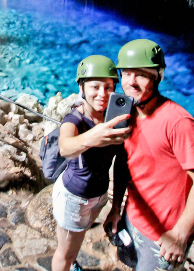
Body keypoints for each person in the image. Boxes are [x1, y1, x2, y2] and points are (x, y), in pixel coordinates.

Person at [112, 39, 194, 271]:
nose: (130, 82)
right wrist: (116, 209)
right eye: (126, 73)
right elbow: (124, 163)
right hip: (133, 217)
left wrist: (181, 234)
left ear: (157, 76)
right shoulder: (128, 112)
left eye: (141, 74)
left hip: (164, 236)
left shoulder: (179, 123)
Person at [51, 55, 132, 271]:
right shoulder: (75, 119)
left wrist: (116, 207)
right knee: (63, 253)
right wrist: (92, 138)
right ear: (82, 88)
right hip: (73, 199)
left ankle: (72, 258)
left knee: (76, 240)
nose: (102, 94)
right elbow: (65, 147)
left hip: (100, 197)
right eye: (95, 87)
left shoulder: (116, 118)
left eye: (108, 87)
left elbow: (122, 162)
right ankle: (68, 262)